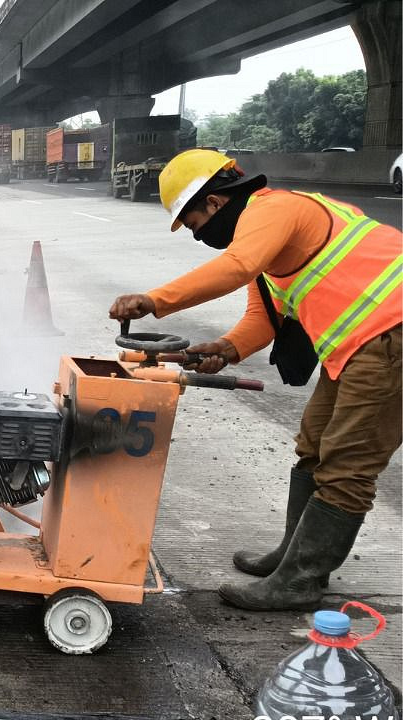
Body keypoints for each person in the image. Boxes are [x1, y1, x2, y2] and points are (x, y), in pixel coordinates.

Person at [108, 149, 402, 611]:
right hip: (361, 345)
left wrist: (154, 300)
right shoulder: (266, 246)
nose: (199, 236)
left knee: (347, 465)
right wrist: (226, 349)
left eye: (195, 224)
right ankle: (293, 555)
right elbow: (263, 320)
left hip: (392, 337)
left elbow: (236, 266)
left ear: (216, 202)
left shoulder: (276, 209)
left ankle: (300, 580)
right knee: (314, 445)